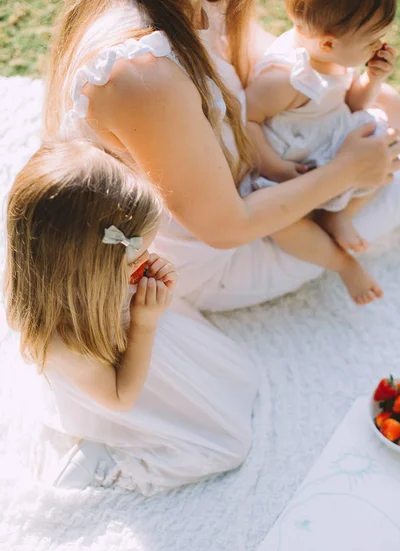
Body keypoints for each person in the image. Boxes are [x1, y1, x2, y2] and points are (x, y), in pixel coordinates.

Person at [44, 0, 400, 315]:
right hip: (208, 254)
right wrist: (349, 170)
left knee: (390, 114)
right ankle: (341, 257)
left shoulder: (197, 4)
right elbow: (226, 229)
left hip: (239, 174)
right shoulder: (141, 73)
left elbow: (290, 64)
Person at [5, 140, 259, 495]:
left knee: (234, 385)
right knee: (226, 447)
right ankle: (109, 460)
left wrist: (152, 282)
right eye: (132, 262)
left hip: (149, 356)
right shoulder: (62, 343)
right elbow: (120, 398)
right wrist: (143, 323)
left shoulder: (90, 280)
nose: (144, 262)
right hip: (121, 395)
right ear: (84, 274)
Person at [245, 0, 397, 304]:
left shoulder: (332, 55)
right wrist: (274, 167)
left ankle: (336, 212)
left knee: (386, 150)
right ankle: (342, 263)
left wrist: (372, 78)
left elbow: (350, 103)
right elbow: (246, 120)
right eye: (370, 41)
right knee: (282, 225)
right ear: (328, 43)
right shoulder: (285, 79)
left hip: (328, 136)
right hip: (292, 162)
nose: (379, 46)